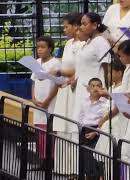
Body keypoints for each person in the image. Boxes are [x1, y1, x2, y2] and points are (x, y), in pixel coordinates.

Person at [51, 12, 84, 176]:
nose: (64, 30)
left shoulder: (81, 45)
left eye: (67, 26)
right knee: (62, 127)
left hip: (75, 88)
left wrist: (60, 72)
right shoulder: (69, 43)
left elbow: (78, 68)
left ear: (76, 26)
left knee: (73, 128)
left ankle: (76, 169)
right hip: (65, 87)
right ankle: (63, 168)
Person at [73, 12, 111, 125]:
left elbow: (107, 68)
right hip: (82, 88)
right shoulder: (88, 42)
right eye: (80, 24)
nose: (81, 27)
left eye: (84, 24)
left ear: (94, 25)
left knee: (91, 122)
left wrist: (107, 91)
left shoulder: (100, 42)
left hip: (94, 89)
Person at [94, 58, 127, 179]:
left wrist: (104, 119)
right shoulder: (113, 87)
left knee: (113, 153)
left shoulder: (122, 87)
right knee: (106, 156)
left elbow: (117, 108)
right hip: (109, 122)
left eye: (110, 72)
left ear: (119, 73)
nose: (108, 75)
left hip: (115, 122)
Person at [31, 36, 61, 168]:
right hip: (38, 102)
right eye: (38, 47)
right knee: (40, 131)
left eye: (42, 47)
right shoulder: (36, 62)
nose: (39, 50)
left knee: (50, 130)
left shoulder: (55, 64)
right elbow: (33, 81)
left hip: (50, 103)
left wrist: (47, 100)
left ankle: (51, 160)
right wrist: (33, 97)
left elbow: (56, 85)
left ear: (50, 48)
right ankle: (42, 160)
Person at [78, 77, 107, 179]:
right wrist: (81, 129)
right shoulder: (84, 101)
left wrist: (96, 132)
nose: (95, 88)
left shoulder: (104, 103)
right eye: (93, 86)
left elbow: (104, 121)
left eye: (98, 86)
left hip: (97, 131)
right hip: (85, 130)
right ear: (88, 89)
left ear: (102, 88)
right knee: (85, 158)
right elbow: (81, 116)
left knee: (95, 157)